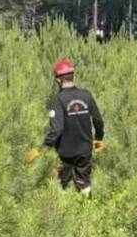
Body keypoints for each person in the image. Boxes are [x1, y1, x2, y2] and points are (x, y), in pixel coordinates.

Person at [26, 59, 105, 195]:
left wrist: (42, 148)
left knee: (63, 186)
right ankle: (87, 211)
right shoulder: (86, 96)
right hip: (85, 151)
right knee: (84, 185)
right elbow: (98, 121)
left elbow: (57, 130)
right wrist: (98, 139)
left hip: (65, 154)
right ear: (74, 75)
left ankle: (64, 212)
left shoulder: (59, 100)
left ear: (58, 80)